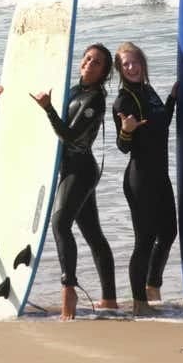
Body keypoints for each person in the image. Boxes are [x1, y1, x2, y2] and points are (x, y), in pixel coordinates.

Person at [28, 43, 118, 320]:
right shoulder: (72, 90)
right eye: (88, 58)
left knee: (60, 223)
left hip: (80, 170)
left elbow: (69, 135)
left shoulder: (95, 99)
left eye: (97, 62)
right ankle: (110, 300)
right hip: (70, 169)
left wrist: (48, 109)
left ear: (104, 72)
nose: (89, 64)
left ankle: (69, 288)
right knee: (93, 235)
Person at [111, 41, 178, 316]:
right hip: (141, 180)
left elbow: (162, 124)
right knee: (145, 240)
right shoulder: (124, 100)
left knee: (169, 232)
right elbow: (123, 146)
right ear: (120, 69)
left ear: (142, 61)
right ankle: (139, 302)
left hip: (160, 175)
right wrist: (126, 131)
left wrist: (173, 98)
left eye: (134, 61)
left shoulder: (148, 92)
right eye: (125, 64)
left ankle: (152, 286)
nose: (131, 67)